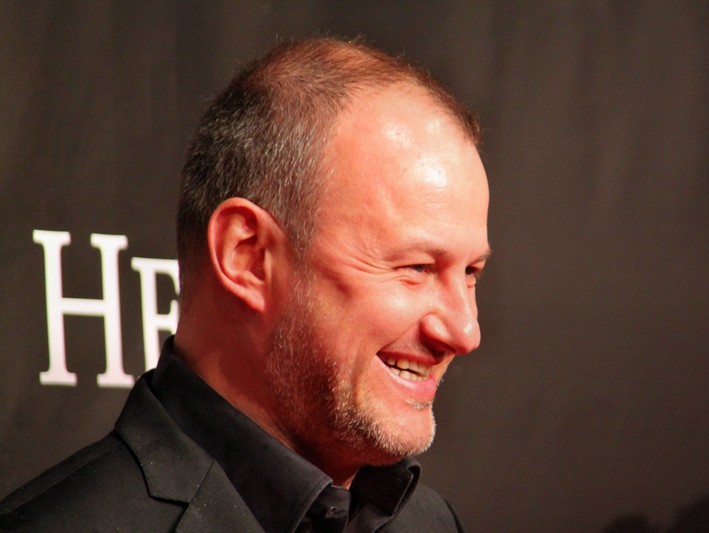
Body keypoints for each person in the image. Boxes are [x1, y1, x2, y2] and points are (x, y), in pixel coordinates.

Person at [0, 36, 490, 532]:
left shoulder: (432, 523)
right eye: (416, 268)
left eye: (471, 273)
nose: (465, 332)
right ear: (248, 256)